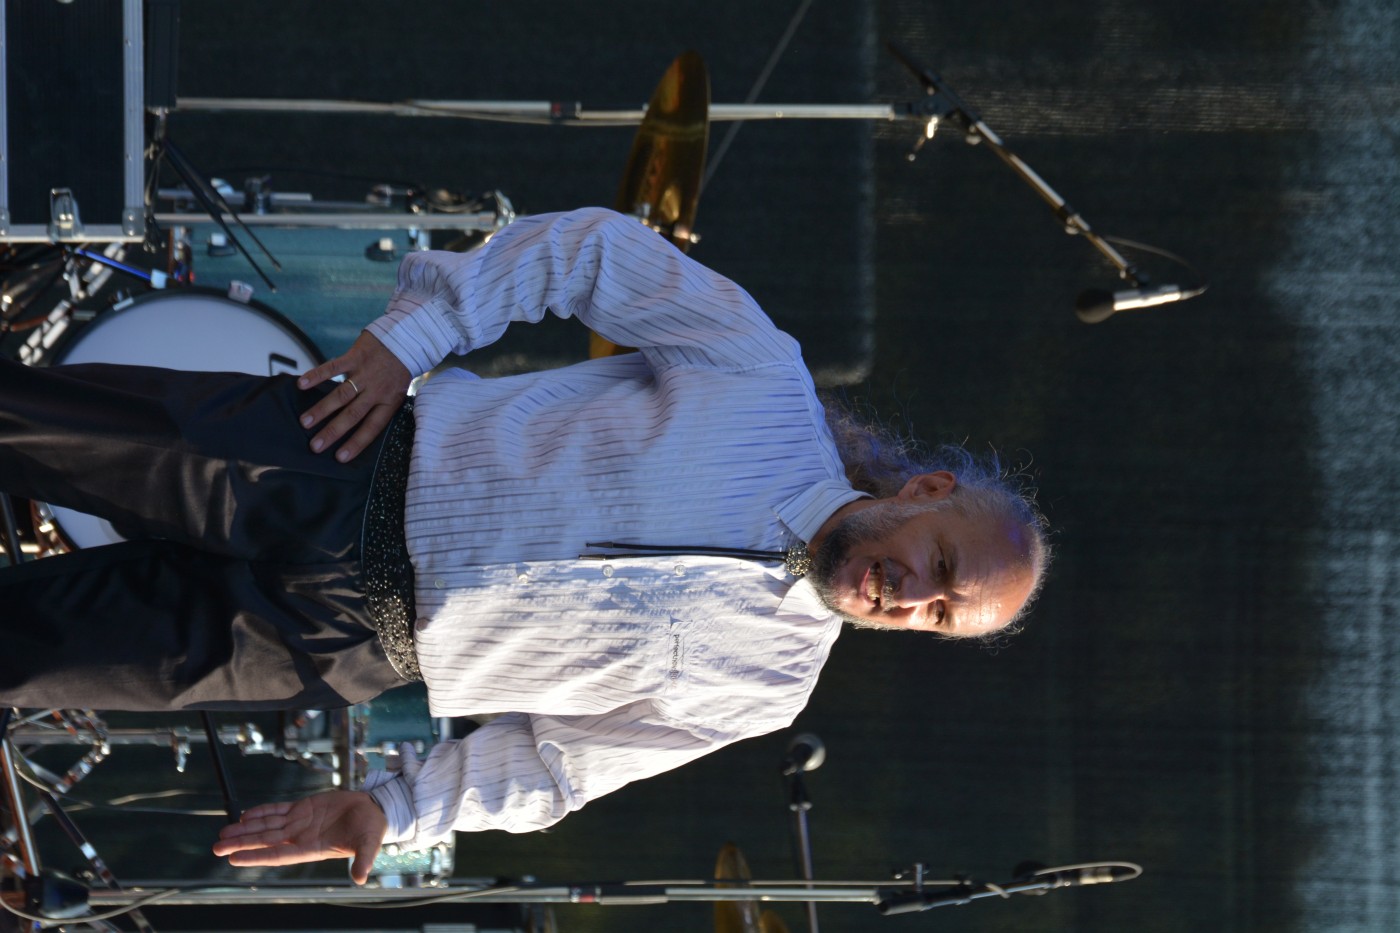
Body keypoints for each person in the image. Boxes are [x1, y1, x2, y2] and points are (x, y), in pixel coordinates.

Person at [0, 207, 1049, 882]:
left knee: (21, 654)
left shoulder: (766, 688)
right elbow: (590, 254)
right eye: (940, 565)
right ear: (926, 491)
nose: (912, 595)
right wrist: (408, 339)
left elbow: (556, 765)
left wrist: (394, 807)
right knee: (21, 425)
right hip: (336, 462)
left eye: (937, 617)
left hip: (334, 644)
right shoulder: (762, 382)